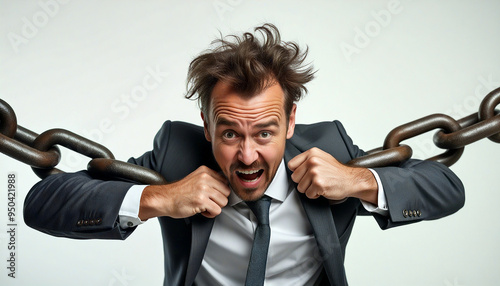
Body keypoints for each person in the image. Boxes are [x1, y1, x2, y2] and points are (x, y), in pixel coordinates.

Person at [24, 23, 465, 286]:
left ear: (291, 122)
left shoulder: (329, 147)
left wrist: (359, 182)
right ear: (206, 125)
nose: (248, 155)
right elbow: (41, 204)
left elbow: (446, 188)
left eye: (265, 132)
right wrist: (159, 199)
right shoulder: (177, 155)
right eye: (230, 133)